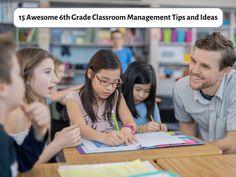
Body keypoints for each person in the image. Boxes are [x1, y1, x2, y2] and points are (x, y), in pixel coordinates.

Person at [4, 47, 81, 163]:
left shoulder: (40, 102)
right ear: (27, 77)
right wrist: (58, 143)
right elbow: (19, 166)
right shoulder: (17, 115)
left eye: (54, 72)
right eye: (47, 72)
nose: (55, 79)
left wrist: (57, 139)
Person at [173, 32, 236, 154]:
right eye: (193, 61)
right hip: (203, 156)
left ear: (225, 71)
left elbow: (233, 143)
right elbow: (187, 130)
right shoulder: (180, 88)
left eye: (205, 66)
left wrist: (199, 151)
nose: (194, 70)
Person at [0, 33, 49, 176]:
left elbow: (19, 163)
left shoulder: (3, 137)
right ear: (2, 87)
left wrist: (38, 132)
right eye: (17, 75)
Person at [66, 49, 137, 146]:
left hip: (111, 150)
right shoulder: (73, 98)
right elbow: (80, 128)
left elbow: (130, 121)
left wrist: (128, 129)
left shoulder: (116, 96)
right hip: (84, 152)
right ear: (90, 74)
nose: (110, 88)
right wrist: (103, 137)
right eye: (104, 81)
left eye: (115, 82)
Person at [122, 61, 167, 133]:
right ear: (129, 84)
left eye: (147, 91)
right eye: (138, 89)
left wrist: (160, 127)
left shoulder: (151, 104)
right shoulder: (119, 103)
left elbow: (157, 123)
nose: (141, 95)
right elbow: (114, 130)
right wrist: (141, 129)